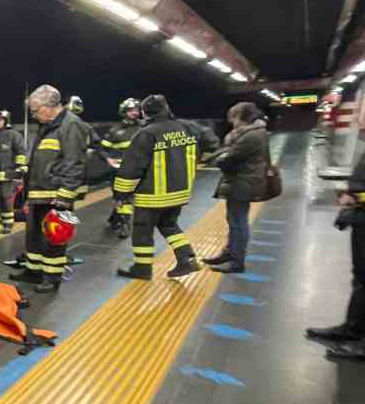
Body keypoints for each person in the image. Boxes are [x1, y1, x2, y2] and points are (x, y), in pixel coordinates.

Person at [112, 94, 202, 280]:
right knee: (169, 225)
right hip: (180, 192)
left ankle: (142, 269)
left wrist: (122, 193)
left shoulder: (147, 133)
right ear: (166, 108)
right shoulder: (186, 128)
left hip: (153, 195)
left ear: (145, 113)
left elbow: (133, 166)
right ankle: (187, 259)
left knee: (142, 231)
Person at [13, 85, 89, 293]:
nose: (33, 115)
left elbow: (75, 163)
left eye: (35, 110)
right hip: (39, 193)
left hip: (56, 195)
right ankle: (33, 271)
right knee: (34, 235)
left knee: (54, 237)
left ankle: (52, 277)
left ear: (48, 107)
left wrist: (65, 195)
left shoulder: (71, 125)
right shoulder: (47, 125)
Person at [307, 153, 365, 360]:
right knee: (360, 279)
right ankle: (353, 329)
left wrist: (357, 197)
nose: (358, 118)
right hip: (360, 218)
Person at [201, 102, 270, 274]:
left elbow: (230, 157)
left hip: (244, 183)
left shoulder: (251, 136)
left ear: (243, 117)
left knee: (238, 222)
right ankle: (230, 253)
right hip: (241, 181)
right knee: (234, 220)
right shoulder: (252, 133)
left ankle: (237, 261)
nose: (232, 122)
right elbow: (229, 151)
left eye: (234, 118)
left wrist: (213, 159)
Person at [100, 98, 144, 239]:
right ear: (124, 111)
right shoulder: (115, 130)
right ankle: (122, 222)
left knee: (126, 197)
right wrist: (108, 159)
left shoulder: (144, 128)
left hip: (139, 169)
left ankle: (119, 220)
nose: (134, 112)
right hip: (119, 171)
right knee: (122, 197)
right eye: (131, 110)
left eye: (136, 110)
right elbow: (103, 149)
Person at [0, 108, 28, 231]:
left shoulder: (13, 135)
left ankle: (8, 225)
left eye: (0, 120)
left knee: (6, 200)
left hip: (8, 175)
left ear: (6, 121)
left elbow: (21, 152)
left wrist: (20, 168)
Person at [66, 95, 99, 201]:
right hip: (72, 173)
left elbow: (95, 145)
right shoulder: (86, 127)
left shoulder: (85, 127)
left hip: (73, 173)